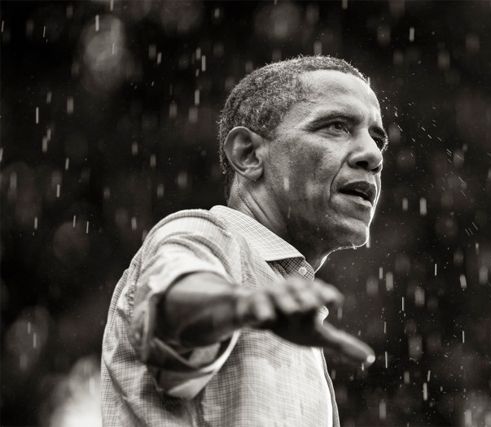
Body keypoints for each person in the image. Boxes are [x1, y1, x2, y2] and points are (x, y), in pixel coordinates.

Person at [101, 55, 388, 426]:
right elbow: (170, 315)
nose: (373, 155)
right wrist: (242, 305)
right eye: (336, 126)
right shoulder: (205, 237)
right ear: (248, 154)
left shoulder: (288, 302)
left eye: (377, 138)